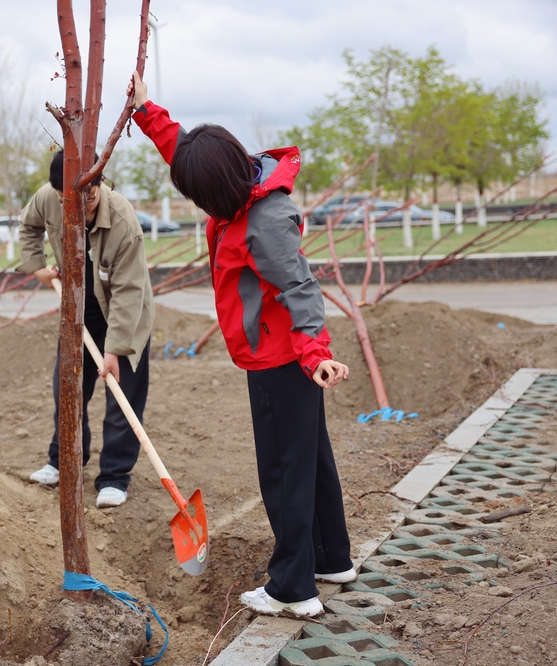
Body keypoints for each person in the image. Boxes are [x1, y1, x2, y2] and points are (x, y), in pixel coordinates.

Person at [128, 72, 353, 618]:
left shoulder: (265, 220)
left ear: (218, 188)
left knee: (284, 472)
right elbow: (186, 151)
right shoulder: (235, 183)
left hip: (284, 360)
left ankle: (293, 588)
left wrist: (317, 354)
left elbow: (299, 287)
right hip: (274, 354)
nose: (197, 201)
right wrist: (144, 110)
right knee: (310, 460)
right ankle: (333, 557)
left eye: (197, 195)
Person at [18, 150, 154, 509]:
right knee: (68, 389)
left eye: (88, 196)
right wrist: (37, 266)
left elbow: (128, 292)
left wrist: (115, 350)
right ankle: (64, 460)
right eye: (69, 200)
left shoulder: (123, 218)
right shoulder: (48, 198)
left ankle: (113, 477)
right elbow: (28, 225)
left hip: (124, 314)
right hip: (77, 310)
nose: (80, 206)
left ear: (98, 182)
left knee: (122, 399)